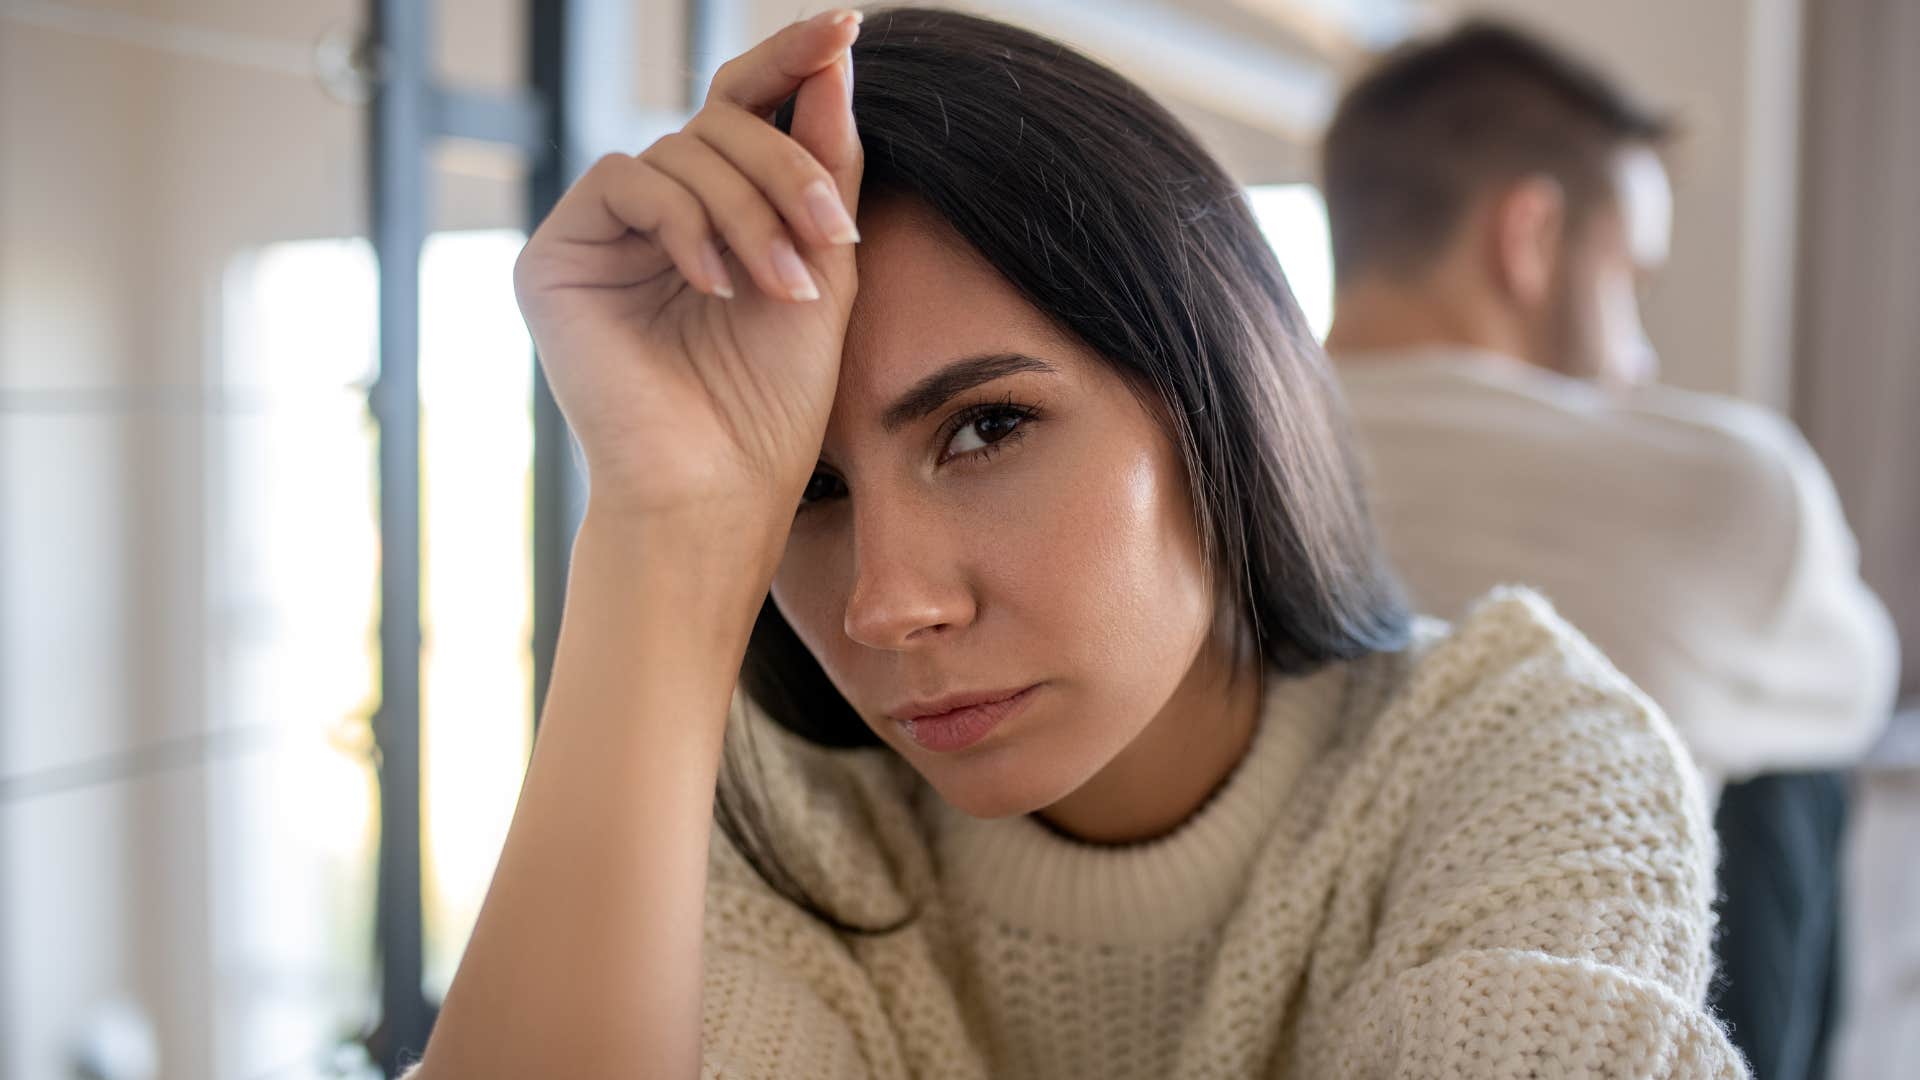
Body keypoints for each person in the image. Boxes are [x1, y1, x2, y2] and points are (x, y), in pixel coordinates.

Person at [405, 8, 1746, 1077]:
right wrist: (662, 516)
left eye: (986, 430)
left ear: (1218, 398)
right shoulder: (775, 818)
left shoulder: (1521, 754)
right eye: (809, 490)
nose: (887, 605)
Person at [1319, 22, 1900, 1080]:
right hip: (1559, 1024)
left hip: (1293, 1010)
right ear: (1528, 236)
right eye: (1633, 273)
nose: (1641, 352)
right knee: (1789, 773)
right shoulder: (1722, 479)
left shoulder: (1189, 452)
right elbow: (1862, 691)